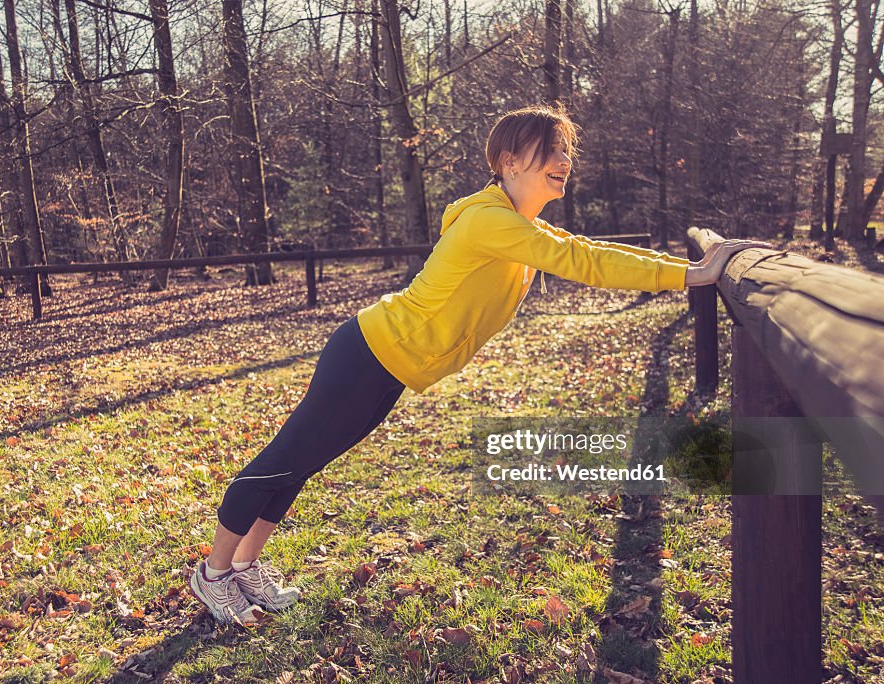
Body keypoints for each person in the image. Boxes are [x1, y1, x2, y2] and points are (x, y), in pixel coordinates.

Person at [187, 104, 772, 625]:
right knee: (284, 459)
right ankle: (213, 575)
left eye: (568, 150)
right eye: (552, 150)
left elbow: (584, 252)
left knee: (304, 463)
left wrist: (686, 270)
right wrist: (691, 274)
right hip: (366, 354)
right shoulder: (492, 221)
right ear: (510, 161)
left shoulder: (517, 226)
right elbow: (582, 260)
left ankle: (244, 565)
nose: (565, 160)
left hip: (390, 365)